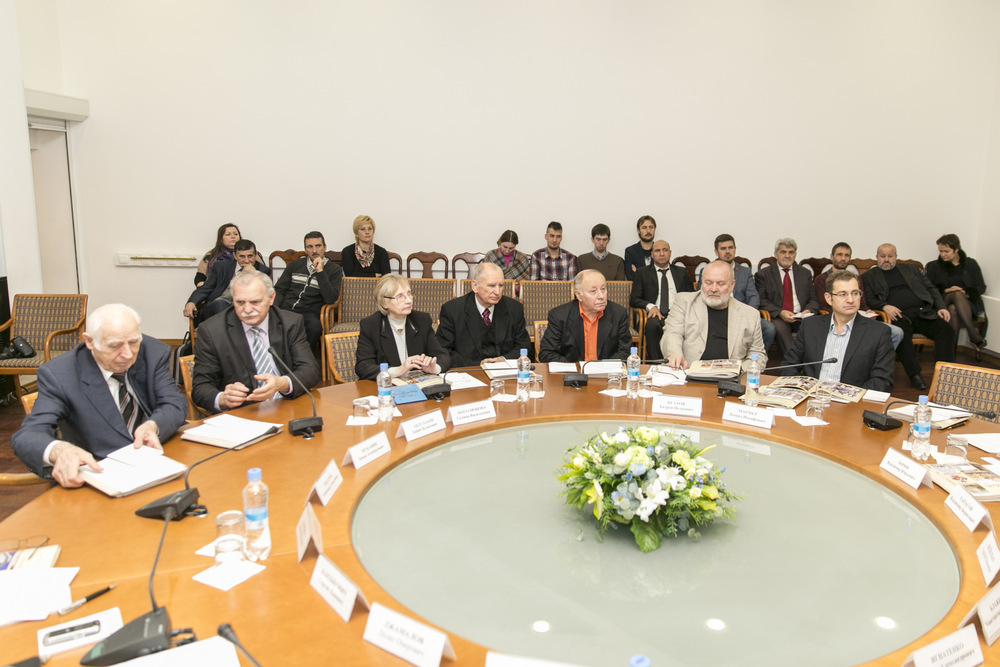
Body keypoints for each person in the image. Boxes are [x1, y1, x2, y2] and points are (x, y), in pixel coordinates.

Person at [11, 304, 186, 488]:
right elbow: (28, 435)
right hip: (100, 471)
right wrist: (58, 449)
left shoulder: (152, 352)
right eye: (115, 346)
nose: (127, 354)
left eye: (134, 342)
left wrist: (153, 425)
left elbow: (173, 403)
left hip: (158, 460)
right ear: (89, 341)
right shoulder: (61, 374)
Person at [192, 270, 320, 413]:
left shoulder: (290, 322)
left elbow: (310, 371)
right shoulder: (212, 331)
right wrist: (222, 398)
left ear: (271, 298)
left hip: (287, 406)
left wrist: (282, 383)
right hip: (243, 414)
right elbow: (200, 389)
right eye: (240, 302)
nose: (247, 309)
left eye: (255, 302)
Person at [861, 243, 955, 389]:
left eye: (890, 256)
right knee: (901, 334)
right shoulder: (869, 276)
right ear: (877, 257)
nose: (886, 260)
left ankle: (944, 375)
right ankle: (914, 375)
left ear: (896, 257)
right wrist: (884, 306)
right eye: (883, 256)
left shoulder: (912, 269)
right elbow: (869, 299)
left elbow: (931, 289)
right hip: (898, 316)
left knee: (946, 330)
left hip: (923, 313)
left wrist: (941, 307)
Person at [783, 270, 895, 392]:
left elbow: (882, 381)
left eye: (855, 293)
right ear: (829, 298)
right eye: (843, 294)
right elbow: (789, 366)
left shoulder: (879, 332)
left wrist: (850, 396)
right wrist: (803, 390)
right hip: (812, 397)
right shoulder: (810, 326)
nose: (850, 300)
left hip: (852, 401)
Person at [662, 260, 767, 371]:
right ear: (702, 282)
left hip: (730, 377)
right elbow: (672, 333)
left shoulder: (750, 315)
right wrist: (675, 354)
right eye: (708, 283)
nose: (713, 289)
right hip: (688, 372)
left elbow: (758, 354)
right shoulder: (684, 301)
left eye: (720, 284)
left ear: (732, 285)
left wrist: (738, 370)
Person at [356, 274, 451, 381]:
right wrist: (396, 371)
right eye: (400, 296)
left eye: (409, 294)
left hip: (417, 385)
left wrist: (434, 368)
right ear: (384, 303)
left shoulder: (422, 320)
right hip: (385, 386)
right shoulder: (371, 325)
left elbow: (443, 355)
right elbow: (363, 366)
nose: (409, 300)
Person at [436, 263, 533, 367]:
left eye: (500, 285)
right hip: (469, 371)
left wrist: (504, 360)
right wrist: (478, 364)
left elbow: (525, 346)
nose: (497, 292)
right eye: (491, 285)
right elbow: (443, 351)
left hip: (504, 371)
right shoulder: (452, 310)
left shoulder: (514, 308)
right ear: (475, 286)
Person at [811, 242, 903, 349]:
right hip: (837, 320)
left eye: (847, 255)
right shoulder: (821, 279)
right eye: (839, 254)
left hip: (860, 319)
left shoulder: (856, 279)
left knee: (897, 332)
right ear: (832, 257)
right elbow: (823, 306)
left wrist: (868, 311)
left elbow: (862, 303)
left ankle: (876, 358)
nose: (843, 258)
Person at [539, 269, 631, 362]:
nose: (601, 296)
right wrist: (574, 368)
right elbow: (547, 353)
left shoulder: (618, 313)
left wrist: (602, 367)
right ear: (579, 295)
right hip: (573, 370)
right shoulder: (559, 315)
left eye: (603, 289)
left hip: (605, 370)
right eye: (593, 291)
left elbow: (625, 351)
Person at [706, 233, 775, 351]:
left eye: (730, 248)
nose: (727, 251)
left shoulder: (745, 272)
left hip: (742, 314)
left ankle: (754, 358)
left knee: (769, 328)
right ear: (716, 252)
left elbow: (753, 296)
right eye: (723, 248)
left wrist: (747, 315)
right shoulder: (708, 270)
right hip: (717, 314)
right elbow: (704, 296)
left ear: (735, 249)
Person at [273, 231, 343, 346]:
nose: (314, 250)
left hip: (310, 312)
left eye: (318, 246)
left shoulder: (334, 269)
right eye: (310, 247)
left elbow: (331, 299)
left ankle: (302, 355)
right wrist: (274, 308)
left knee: (315, 328)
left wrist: (320, 272)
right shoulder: (295, 265)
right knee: (273, 322)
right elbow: (280, 289)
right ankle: (283, 354)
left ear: (325, 247)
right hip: (287, 308)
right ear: (305, 250)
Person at [629, 239, 694, 357]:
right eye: (657, 251)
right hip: (656, 313)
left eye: (665, 250)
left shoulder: (681, 272)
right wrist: (650, 306)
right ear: (652, 254)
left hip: (678, 314)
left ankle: (682, 361)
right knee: (651, 326)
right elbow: (634, 299)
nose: (662, 254)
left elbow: (691, 295)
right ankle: (657, 362)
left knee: (690, 325)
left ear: (670, 253)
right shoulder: (642, 273)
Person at [754, 238, 819, 356]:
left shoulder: (805, 273)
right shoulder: (763, 274)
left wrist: (808, 310)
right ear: (776, 254)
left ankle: (812, 363)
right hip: (779, 316)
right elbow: (762, 300)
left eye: (791, 252)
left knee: (813, 331)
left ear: (795, 254)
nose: (787, 256)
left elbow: (813, 299)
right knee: (781, 331)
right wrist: (780, 312)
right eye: (783, 252)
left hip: (802, 315)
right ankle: (793, 363)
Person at [924, 233, 987, 352]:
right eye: (941, 251)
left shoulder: (971, 264)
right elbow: (928, 288)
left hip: (967, 303)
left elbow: (981, 287)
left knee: (953, 309)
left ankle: (950, 353)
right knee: (955, 295)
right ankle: (973, 335)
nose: (943, 254)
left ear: (956, 249)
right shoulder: (935, 266)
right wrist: (947, 290)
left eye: (946, 251)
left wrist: (964, 292)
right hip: (942, 302)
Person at [183, 239, 270, 323]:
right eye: (242, 256)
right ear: (235, 256)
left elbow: (262, 295)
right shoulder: (221, 267)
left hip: (244, 308)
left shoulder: (263, 271)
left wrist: (251, 275)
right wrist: (192, 302)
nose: (246, 260)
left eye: (250, 256)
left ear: (255, 255)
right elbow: (205, 288)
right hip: (217, 306)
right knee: (221, 304)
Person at [193, 223, 264, 286]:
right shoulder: (211, 255)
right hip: (217, 291)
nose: (233, 237)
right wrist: (204, 289)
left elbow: (264, 275)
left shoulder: (251, 253)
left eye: (235, 234)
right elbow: (199, 277)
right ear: (221, 239)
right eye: (228, 234)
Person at [623, 215, 657, 280]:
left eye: (651, 227)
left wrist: (639, 272)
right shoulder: (630, 251)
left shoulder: (660, 250)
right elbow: (631, 277)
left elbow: (663, 274)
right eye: (644, 228)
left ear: (654, 229)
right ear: (638, 230)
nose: (648, 231)